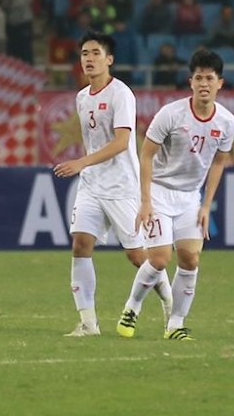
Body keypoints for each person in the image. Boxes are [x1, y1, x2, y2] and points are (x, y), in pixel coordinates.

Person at [54, 30, 173, 337]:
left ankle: (169, 300)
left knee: (138, 257)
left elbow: (122, 142)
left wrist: (81, 162)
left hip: (122, 186)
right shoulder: (82, 97)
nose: (89, 59)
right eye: (84, 54)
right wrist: (86, 166)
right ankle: (88, 323)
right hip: (92, 184)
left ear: (109, 60)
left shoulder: (121, 94)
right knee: (80, 244)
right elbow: (91, 142)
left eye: (95, 53)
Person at [116, 49, 234, 341]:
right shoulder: (171, 114)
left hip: (189, 197)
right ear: (190, 81)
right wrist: (145, 201)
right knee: (159, 259)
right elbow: (145, 155)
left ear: (220, 83)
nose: (204, 84)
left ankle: (175, 325)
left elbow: (220, 160)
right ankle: (132, 308)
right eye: (199, 78)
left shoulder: (227, 122)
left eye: (209, 78)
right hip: (159, 191)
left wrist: (206, 205)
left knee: (190, 260)